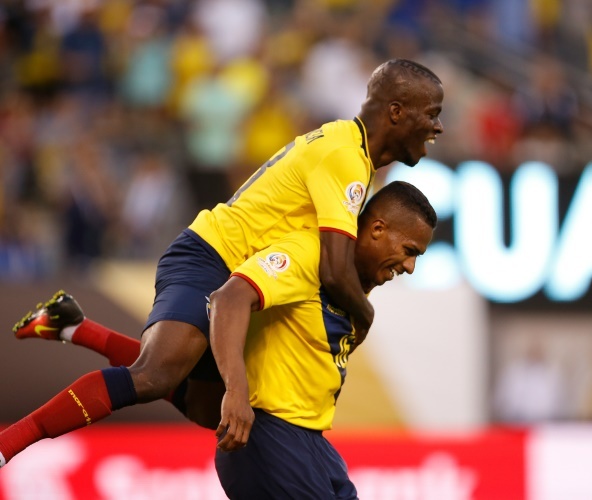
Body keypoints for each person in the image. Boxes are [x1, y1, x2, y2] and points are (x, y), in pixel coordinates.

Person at [0, 58, 444, 468]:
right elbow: (334, 269)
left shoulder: (351, 154)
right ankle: (8, 445)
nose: (438, 126)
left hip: (238, 270)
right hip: (212, 254)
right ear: (397, 111)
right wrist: (363, 315)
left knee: (205, 408)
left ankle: (73, 325)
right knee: (156, 374)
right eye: (432, 112)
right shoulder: (345, 157)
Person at [211, 180, 437, 498]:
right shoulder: (309, 253)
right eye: (409, 251)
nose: (411, 267)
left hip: (310, 442)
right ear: (377, 229)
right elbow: (228, 299)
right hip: (267, 435)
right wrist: (235, 391)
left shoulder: (354, 285)